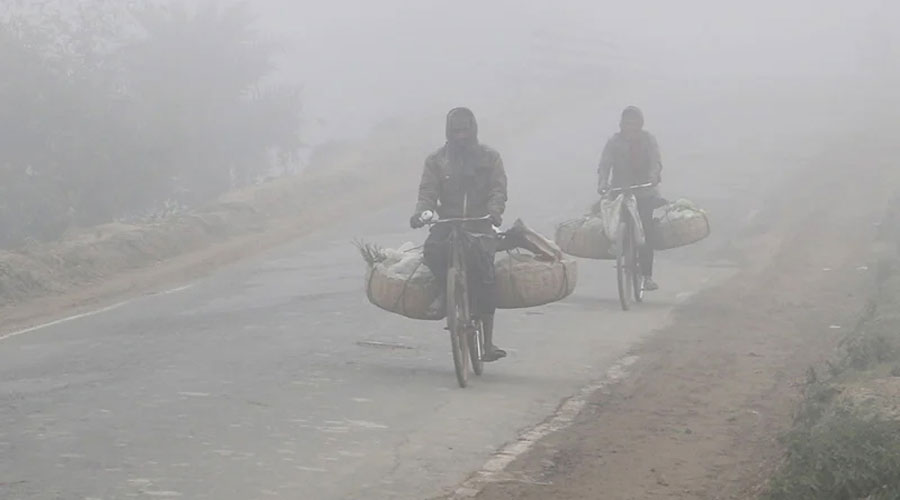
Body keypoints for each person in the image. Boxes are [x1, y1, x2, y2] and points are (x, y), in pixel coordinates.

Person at [410, 107, 508, 361]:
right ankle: (446, 290)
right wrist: (422, 213)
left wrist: (495, 212)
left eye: (465, 130)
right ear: (449, 132)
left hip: (480, 224)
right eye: (456, 131)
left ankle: (487, 343)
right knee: (432, 252)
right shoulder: (436, 160)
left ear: (473, 129)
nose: (461, 136)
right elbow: (427, 193)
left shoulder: (490, 157)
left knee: (486, 275)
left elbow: (498, 189)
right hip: (448, 223)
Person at [598, 106, 665, 291]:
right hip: (620, 191)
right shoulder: (614, 142)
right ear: (621, 124)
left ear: (640, 124)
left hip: (644, 192)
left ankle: (647, 275)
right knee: (612, 223)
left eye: (634, 123)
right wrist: (603, 182)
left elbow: (656, 162)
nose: (630, 127)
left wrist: (653, 176)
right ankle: (618, 245)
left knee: (645, 230)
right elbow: (604, 164)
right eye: (627, 123)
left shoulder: (648, 140)